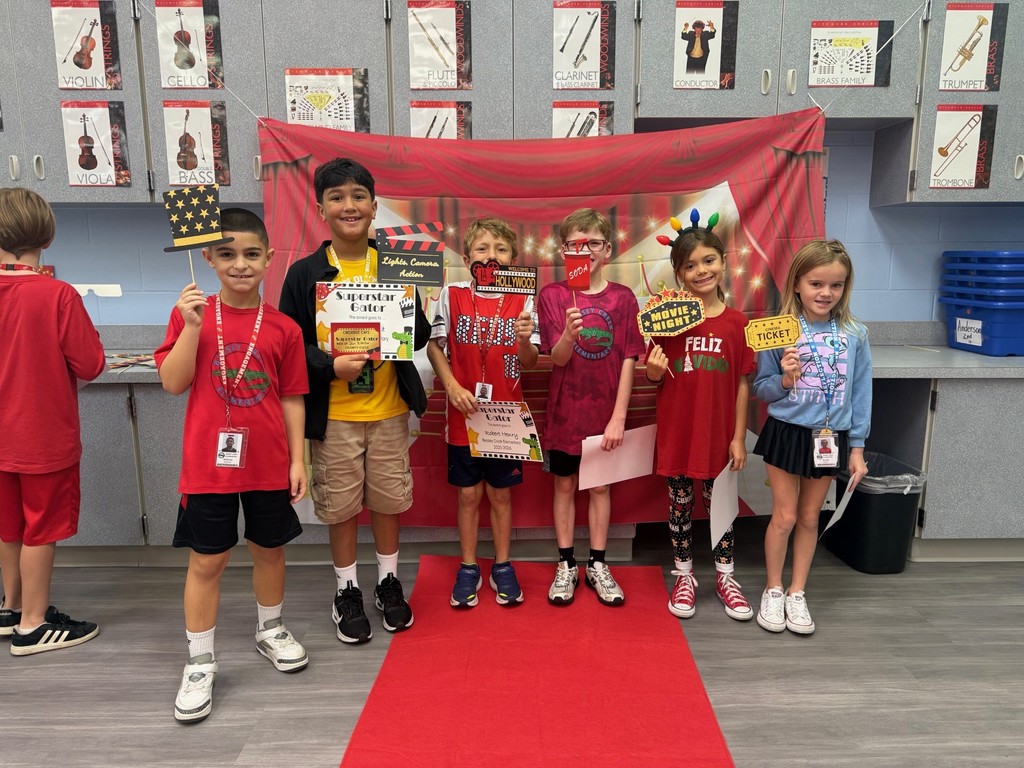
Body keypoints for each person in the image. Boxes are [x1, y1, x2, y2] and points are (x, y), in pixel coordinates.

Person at [155, 208, 310, 723]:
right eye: (227, 254)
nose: (239, 265)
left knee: (269, 551)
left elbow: (292, 398)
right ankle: (200, 660)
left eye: (250, 254)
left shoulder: (284, 327)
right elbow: (173, 383)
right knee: (208, 561)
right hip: (209, 467)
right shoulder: (189, 314)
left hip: (267, 463)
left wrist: (298, 459)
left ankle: (270, 629)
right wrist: (192, 328)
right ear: (208, 258)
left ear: (269, 258)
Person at [278, 158, 428, 643]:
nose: (349, 205)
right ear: (321, 208)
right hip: (336, 416)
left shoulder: (395, 260)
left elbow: (419, 338)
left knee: (388, 502)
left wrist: (416, 295)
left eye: (358, 196)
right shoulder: (305, 274)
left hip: (389, 411)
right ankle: (346, 590)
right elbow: (290, 345)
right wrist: (329, 366)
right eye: (337, 197)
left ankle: (387, 582)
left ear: (374, 205)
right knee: (340, 508)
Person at [0, 188, 106, 656]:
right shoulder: (56, 294)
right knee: (40, 530)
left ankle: (11, 608)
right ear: (46, 235)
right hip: (41, 437)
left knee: (9, 528)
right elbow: (91, 364)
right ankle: (33, 626)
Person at [752, 239, 872, 636]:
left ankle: (796, 591)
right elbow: (763, 388)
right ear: (798, 284)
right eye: (817, 283)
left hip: (830, 437)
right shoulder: (778, 328)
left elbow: (860, 392)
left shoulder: (855, 333)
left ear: (845, 288)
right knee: (784, 516)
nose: (826, 293)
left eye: (835, 285)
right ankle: (773, 588)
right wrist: (785, 379)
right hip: (786, 432)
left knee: (808, 517)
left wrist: (857, 447)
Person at [645, 213, 755, 622]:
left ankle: (726, 576)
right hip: (678, 429)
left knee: (721, 505)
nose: (700, 271)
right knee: (680, 504)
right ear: (678, 273)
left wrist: (739, 437)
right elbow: (653, 374)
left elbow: (744, 382)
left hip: (720, 433)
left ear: (724, 262)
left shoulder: (738, 323)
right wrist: (653, 370)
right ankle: (684, 574)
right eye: (689, 265)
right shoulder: (666, 320)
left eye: (708, 260)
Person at [427, 218, 540, 608]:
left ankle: (503, 565)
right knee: (469, 495)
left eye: (501, 249)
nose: (491, 256)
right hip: (463, 413)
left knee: (501, 495)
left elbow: (529, 362)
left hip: (506, 418)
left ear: (513, 259)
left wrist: (525, 340)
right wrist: (452, 386)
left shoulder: (524, 299)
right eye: (482, 248)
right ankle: (469, 565)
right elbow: (434, 347)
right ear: (466, 257)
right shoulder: (451, 294)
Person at [537, 208, 645, 606]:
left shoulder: (623, 298)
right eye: (576, 244)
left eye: (593, 243)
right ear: (564, 249)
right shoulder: (552, 295)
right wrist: (567, 333)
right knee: (563, 485)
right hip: (565, 413)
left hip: (606, 413)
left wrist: (619, 417)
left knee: (600, 486)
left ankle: (598, 564)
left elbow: (631, 357)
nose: (585, 250)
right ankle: (566, 563)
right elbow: (559, 359)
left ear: (607, 249)